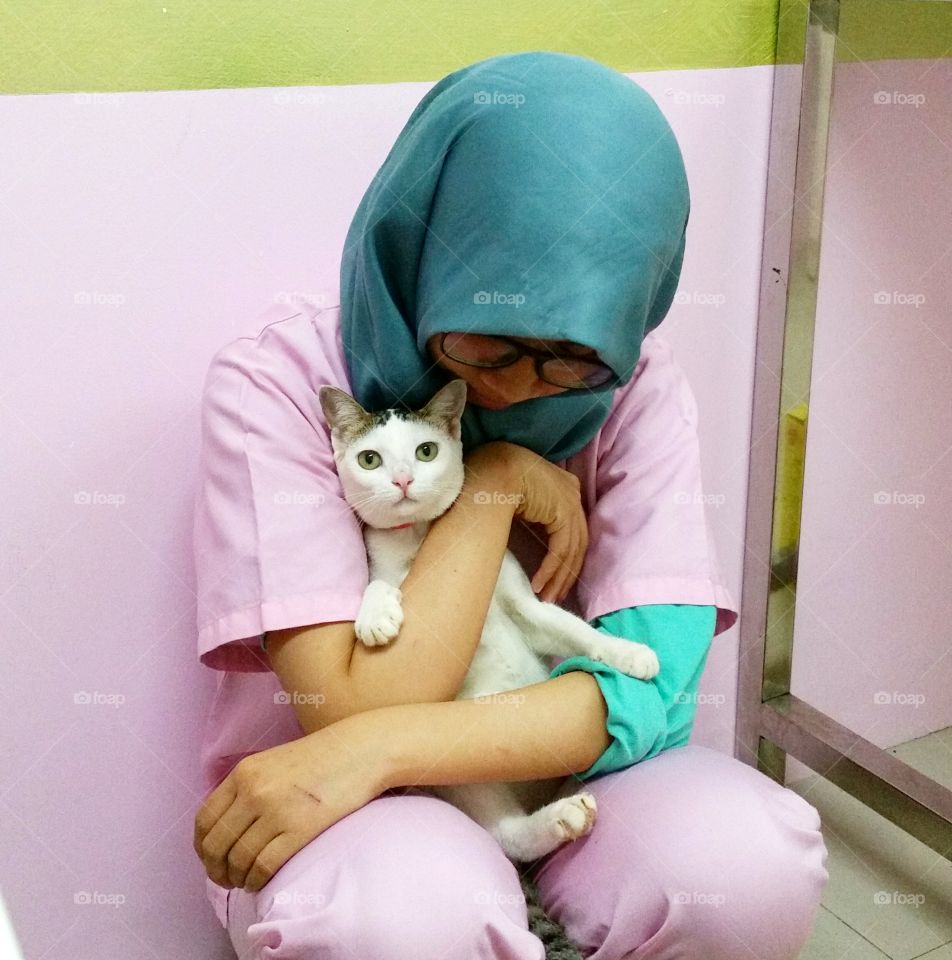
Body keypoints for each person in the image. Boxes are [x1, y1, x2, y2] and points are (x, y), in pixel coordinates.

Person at [192, 51, 828, 959]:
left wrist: (379, 747)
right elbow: (348, 702)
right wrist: (488, 484)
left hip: (544, 771)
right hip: (349, 810)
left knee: (745, 869)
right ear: (424, 248)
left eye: (573, 355)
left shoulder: (638, 385)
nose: (520, 390)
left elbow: (650, 692)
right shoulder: (278, 382)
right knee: (402, 918)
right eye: (488, 344)